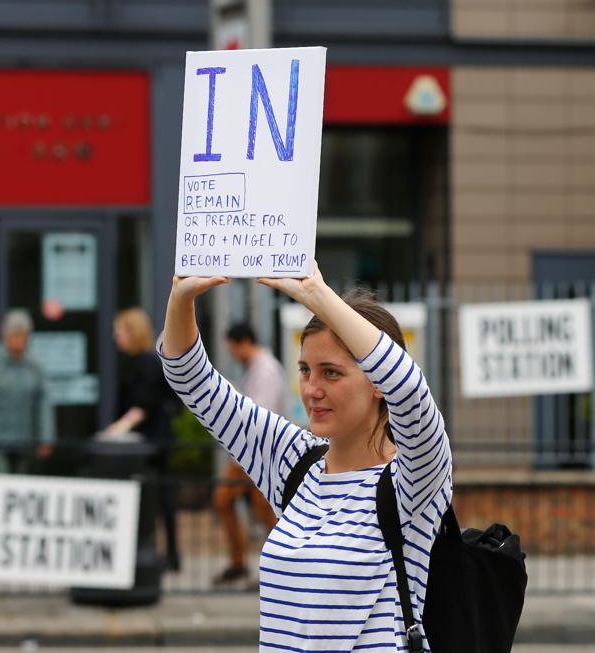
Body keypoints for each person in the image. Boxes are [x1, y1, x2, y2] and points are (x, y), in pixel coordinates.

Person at [159, 265, 451, 652]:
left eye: (331, 373)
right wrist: (180, 296)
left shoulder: (414, 480)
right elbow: (190, 379)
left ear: (378, 384)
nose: (311, 389)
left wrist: (317, 295)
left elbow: (409, 388)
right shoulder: (295, 463)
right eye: (305, 370)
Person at [210, 322, 288, 586]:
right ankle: (241, 562)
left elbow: (259, 416)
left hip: (259, 453)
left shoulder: (264, 370)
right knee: (242, 505)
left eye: (232, 348)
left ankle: (271, 568)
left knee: (265, 512)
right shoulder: (259, 368)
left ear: (243, 343)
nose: (231, 354)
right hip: (253, 453)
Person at [107, 307, 182, 572]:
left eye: (120, 332)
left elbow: (143, 405)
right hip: (146, 441)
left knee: (161, 496)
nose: (116, 338)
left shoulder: (148, 363)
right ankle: (160, 552)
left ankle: (168, 554)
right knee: (157, 496)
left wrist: (117, 430)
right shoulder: (134, 362)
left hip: (154, 442)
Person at [0, 310, 53, 474]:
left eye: (22, 336)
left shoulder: (34, 365)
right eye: (13, 335)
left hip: (24, 438)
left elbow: (43, 402)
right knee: (0, 479)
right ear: (5, 336)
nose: (17, 341)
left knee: (19, 483)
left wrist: (45, 437)